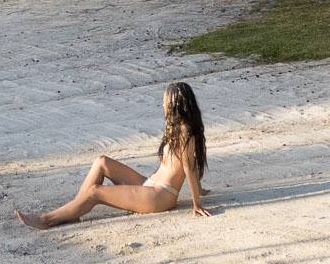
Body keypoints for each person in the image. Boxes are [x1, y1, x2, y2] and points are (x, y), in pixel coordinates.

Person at [17, 82, 213, 226]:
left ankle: (47, 219)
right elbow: (192, 164)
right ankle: (75, 210)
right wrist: (201, 189)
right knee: (101, 162)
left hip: (159, 196)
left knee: (95, 192)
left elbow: (188, 165)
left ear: (174, 104)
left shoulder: (186, 130)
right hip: (149, 184)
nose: (162, 106)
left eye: (164, 102)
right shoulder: (178, 128)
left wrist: (196, 203)